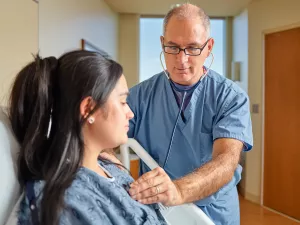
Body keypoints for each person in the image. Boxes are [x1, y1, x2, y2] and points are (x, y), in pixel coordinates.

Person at [126, 3, 253, 225]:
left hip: (213, 212)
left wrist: (177, 191)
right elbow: (105, 138)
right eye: (173, 47)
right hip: (157, 211)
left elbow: (226, 161)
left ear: (209, 47)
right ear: (162, 43)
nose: (181, 60)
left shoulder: (231, 98)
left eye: (193, 48)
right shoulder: (139, 96)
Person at [9, 50, 167, 225]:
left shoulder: (111, 169)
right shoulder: (65, 205)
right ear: (88, 109)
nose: (130, 113)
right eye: (122, 102)